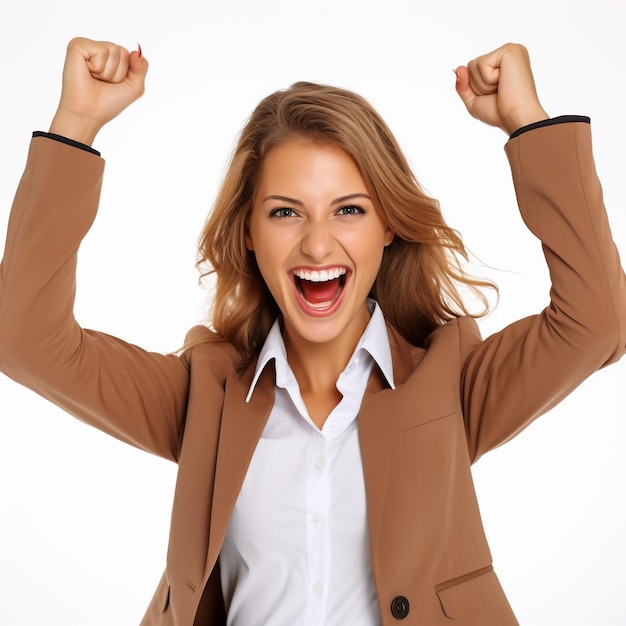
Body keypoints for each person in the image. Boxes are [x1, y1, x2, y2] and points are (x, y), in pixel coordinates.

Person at [0, 37, 624, 626]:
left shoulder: (450, 382)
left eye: (349, 209)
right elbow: (24, 339)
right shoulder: (205, 395)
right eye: (284, 213)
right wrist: (75, 124)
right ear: (249, 232)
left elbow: (598, 322)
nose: (318, 243)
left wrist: (527, 121)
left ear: (388, 226)